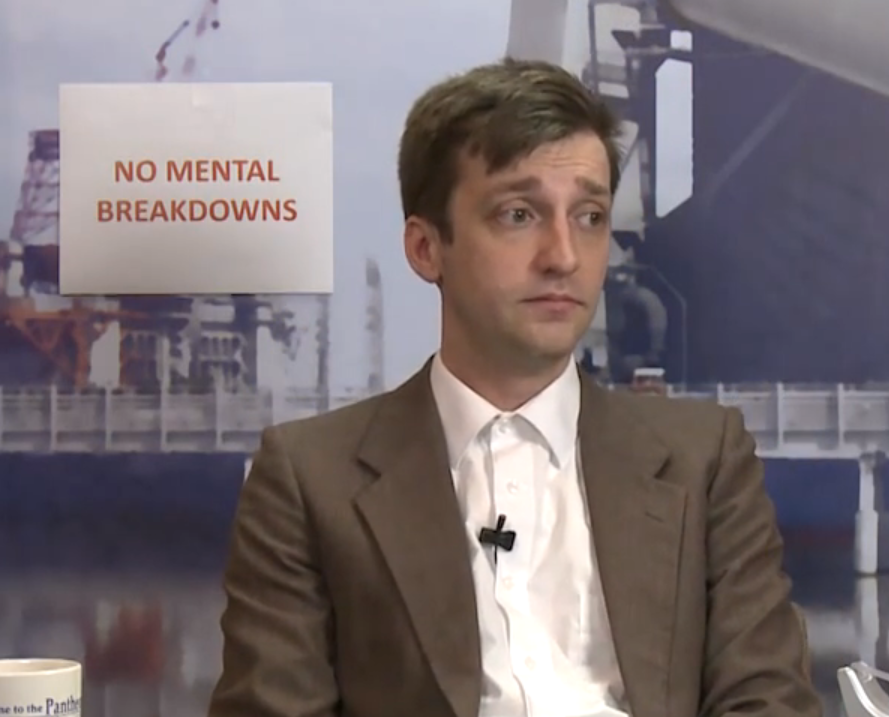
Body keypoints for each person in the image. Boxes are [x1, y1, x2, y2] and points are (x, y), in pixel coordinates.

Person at [207, 58, 822, 717]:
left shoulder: (706, 460)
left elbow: (769, 702)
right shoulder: (308, 478)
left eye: (589, 216)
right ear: (425, 248)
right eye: (519, 214)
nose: (563, 255)